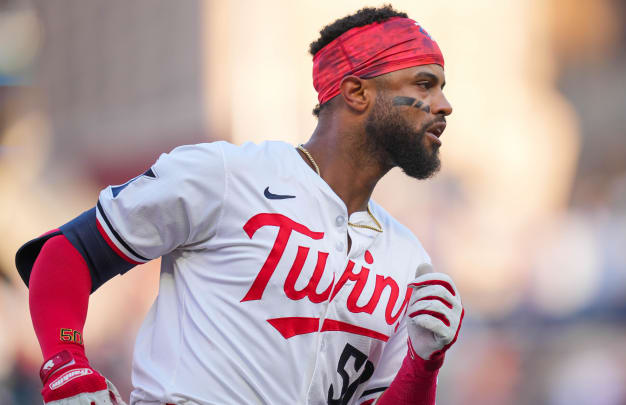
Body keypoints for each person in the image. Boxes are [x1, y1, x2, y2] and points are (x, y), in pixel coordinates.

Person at [16, 5, 463, 405]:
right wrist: (67, 362)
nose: (443, 106)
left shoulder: (409, 260)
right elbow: (67, 253)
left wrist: (423, 364)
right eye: (424, 84)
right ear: (356, 92)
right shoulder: (227, 173)